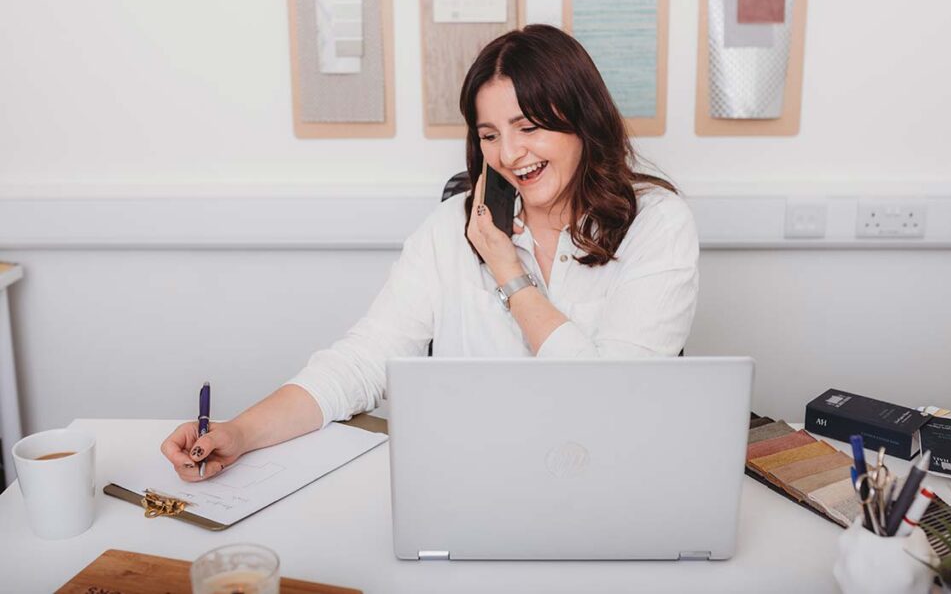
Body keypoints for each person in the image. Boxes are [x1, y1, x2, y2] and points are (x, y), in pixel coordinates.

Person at [161, 24, 699, 481]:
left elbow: (611, 404)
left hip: (607, 481)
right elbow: (365, 359)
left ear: (584, 120)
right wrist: (241, 432)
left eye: (529, 127)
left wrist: (509, 272)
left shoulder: (655, 223)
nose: (509, 154)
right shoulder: (451, 225)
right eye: (489, 135)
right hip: (471, 477)